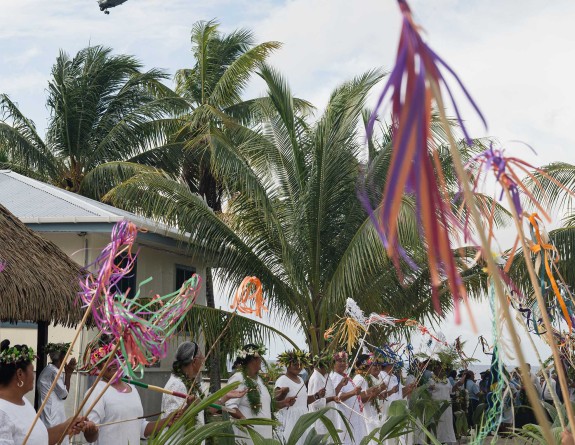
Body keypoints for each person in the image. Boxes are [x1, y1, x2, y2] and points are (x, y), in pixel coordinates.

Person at [84, 343, 175, 445]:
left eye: (116, 357)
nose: (112, 363)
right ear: (99, 367)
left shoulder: (133, 389)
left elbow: (141, 428)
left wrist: (166, 421)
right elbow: (91, 438)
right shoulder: (96, 392)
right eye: (106, 360)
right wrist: (91, 431)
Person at [0, 340, 88, 445]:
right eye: (32, 370)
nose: (34, 376)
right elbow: (64, 394)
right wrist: (68, 374)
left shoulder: (23, 401)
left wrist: (66, 426)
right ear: (20, 374)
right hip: (52, 413)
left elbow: (40, 438)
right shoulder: (2, 413)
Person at [226, 344, 286, 444]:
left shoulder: (260, 380)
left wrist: (284, 403)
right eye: (260, 357)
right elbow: (230, 405)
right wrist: (242, 418)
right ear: (253, 360)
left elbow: (265, 406)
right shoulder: (238, 378)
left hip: (264, 436)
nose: (261, 360)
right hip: (248, 436)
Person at [37, 342, 76, 445]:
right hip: (53, 415)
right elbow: (64, 394)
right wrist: (68, 373)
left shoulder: (47, 370)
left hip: (48, 411)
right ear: (62, 357)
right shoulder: (54, 372)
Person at [275, 349, 316, 444]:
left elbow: (303, 401)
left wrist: (317, 396)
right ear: (287, 365)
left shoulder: (301, 380)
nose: (298, 366)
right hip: (291, 420)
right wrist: (283, 393)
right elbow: (275, 401)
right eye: (295, 364)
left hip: (303, 417)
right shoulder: (282, 380)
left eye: (300, 364)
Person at [330, 351, 363, 444]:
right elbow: (337, 398)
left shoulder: (345, 376)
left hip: (352, 416)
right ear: (333, 363)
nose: (342, 363)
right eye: (339, 361)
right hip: (344, 416)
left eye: (344, 361)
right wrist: (353, 392)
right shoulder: (334, 377)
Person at [352, 354, 387, 441]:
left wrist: (377, 393)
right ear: (364, 365)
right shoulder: (359, 378)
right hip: (366, 415)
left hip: (372, 413)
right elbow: (358, 399)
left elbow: (370, 394)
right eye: (371, 363)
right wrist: (375, 393)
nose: (372, 366)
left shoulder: (366, 377)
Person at [308, 352, 339, 435]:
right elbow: (315, 403)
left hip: (330, 416)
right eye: (330, 364)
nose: (331, 367)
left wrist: (341, 384)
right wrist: (332, 398)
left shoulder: (326, 376)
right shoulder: (316, 378)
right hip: (321, 419)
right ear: (324, 365)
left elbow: (332, 392)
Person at [428, 362, 456, 445]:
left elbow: (451, 391)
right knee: (437, 424)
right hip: (436, 405)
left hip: (447, 405)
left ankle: (448, 440)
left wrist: (458, 384)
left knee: (447, 423)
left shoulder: (447, 380)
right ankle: (436, 441)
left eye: (442, 369)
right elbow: (427, 392)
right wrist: (429, 388)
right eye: (439, 368)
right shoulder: (431, 380)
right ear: (435, 370)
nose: (441, 370)